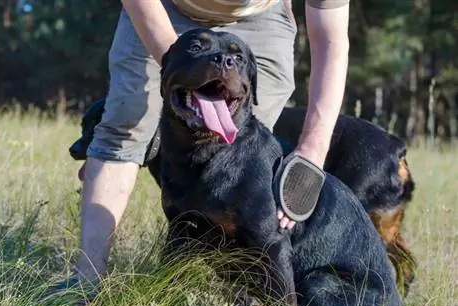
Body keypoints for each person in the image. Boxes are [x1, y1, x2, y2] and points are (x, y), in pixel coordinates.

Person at [68, 0, 350, 288]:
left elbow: (331, 37)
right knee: (126, 123)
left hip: (261, 17)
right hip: (163, 7)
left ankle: (241, 293)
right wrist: (185, 63)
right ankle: (87, 281)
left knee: (241, 164)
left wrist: (312, 152)